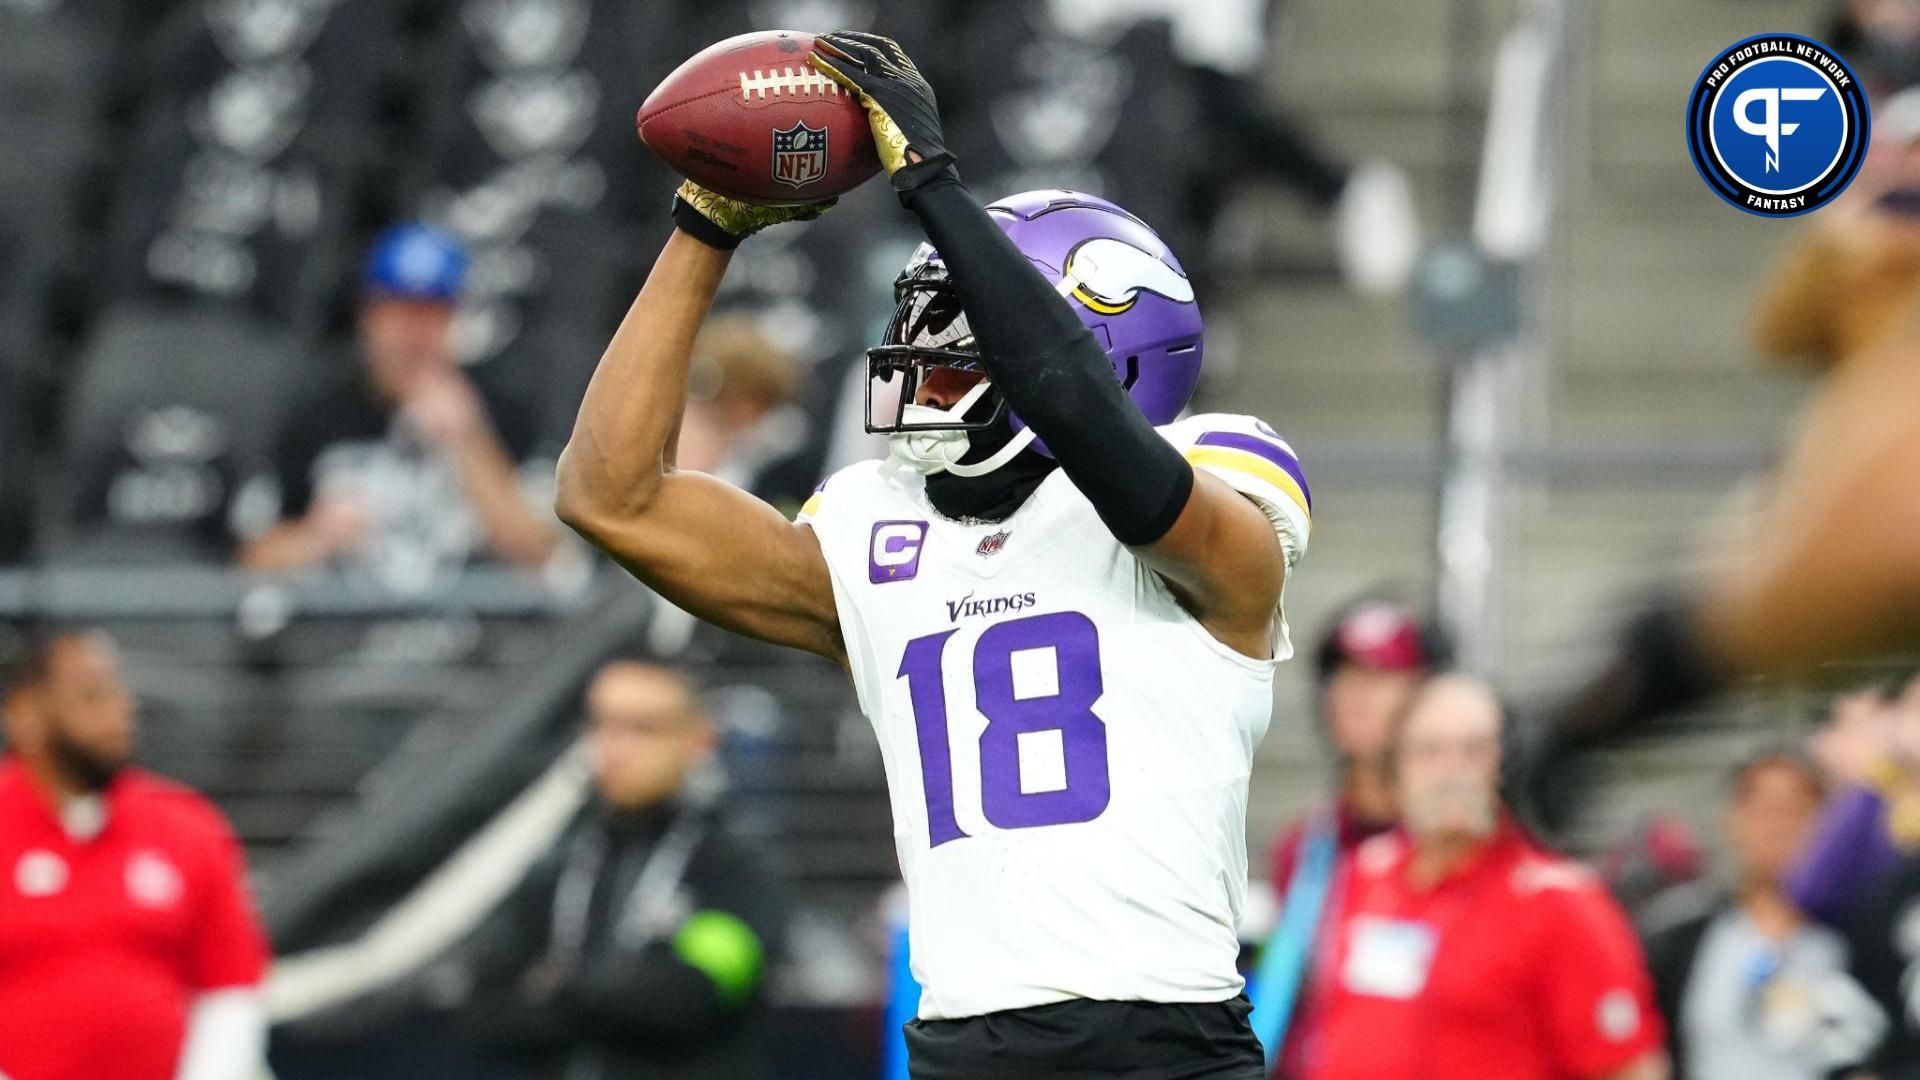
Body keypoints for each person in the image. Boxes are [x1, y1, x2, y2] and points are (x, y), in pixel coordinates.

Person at [555, 30, 1311, 1080]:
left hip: (1162, 1044)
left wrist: (937, 187)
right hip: (962, 1044)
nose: (920, 353)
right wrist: (706, 224)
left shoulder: (1220, 483)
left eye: (958, 326)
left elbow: (1101, 444)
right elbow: (611, 495)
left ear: (1105, 347)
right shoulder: (878, 527)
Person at [433, 660, 786, 1080]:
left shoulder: (736, 864)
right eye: (602, 724)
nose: (616, 748)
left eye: (643, 728)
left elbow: (688, 1000)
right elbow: (484, 1010)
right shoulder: (554, 856)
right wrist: (615, 998)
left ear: (700, 737)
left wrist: (558, 988)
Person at [1313, 674, 1667, 1080]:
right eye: (1430, 751)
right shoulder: (1365, 872)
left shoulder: (1561, 901)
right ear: (1398, 767)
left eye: (1474, 751)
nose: (1451, 771)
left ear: (1505, 766)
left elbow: (1630, 1069)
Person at [0, 629, 271, 1080]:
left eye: (119, 690)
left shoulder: (186, 824)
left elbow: (231, 987)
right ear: (26, 713)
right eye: (91, 696)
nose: (121, 710)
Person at [238, 222, 558, 579]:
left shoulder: (505, 409)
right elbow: (250, 558)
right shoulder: (318, 416)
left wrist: (468, 441)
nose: (413, 333)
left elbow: (546, 557)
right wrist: (315, 536)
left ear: (457, 318)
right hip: (346, 625)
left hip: (470, 627)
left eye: (431, 312)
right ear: (367, 314)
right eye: (398, 309)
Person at [1259, 597, 1445, 1077]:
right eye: (1342, 675)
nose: (1352, 693)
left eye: (1380, 675)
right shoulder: (1303, 850)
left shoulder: (1454, 848)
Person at [1643, 751, 1878, 1080]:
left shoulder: (1860, 935)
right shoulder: (1680, 937)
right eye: (1762, 810)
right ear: (1732, 818)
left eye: (1794, 811)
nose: (1776, 828)